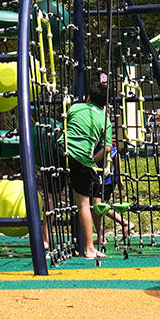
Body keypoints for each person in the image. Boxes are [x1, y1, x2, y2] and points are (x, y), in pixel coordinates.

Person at [65, 81, 112, 260]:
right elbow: (107, 148)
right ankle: (90, 248)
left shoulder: (75, 108)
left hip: (62, 151)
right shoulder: (105, 119)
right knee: (84, 204)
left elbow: (67, 124)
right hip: (81, 158)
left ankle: (45, 239)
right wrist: (93, 160)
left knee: (53, 197)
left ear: (89, 97)